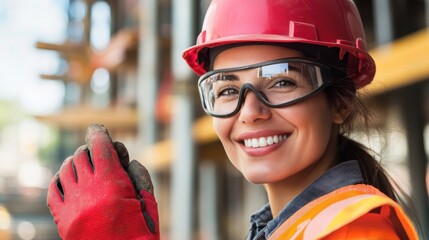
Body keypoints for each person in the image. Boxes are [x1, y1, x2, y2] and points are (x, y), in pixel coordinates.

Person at [47, 0, 420, 239]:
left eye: (282, 82)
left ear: (340, 103)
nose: (250, 112)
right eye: (226, 90)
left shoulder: (353, 231)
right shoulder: (296, 226)